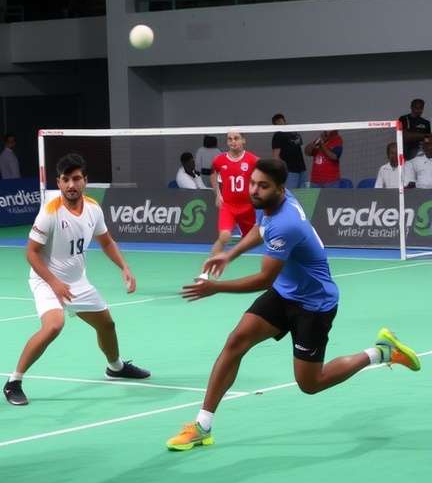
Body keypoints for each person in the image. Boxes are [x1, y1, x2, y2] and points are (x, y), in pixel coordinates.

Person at [168, 158, 420, 451]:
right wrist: (230, 255)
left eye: (262, 186)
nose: (254, 190)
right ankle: (202, 426)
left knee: (310, 383)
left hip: (314, 304)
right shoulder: (274, 205)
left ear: (280, 188)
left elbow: (263, 279)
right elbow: (260, 230)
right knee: (236, 341)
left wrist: (216, 288)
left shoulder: (287, 223)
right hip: (285, 292)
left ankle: (380, 352)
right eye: (253, 183)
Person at [3, 153, 149, 406]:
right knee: (54, 326)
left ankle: (115, 367)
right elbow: (31, 253)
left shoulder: (93, 208)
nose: (71, 184)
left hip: (77, 282)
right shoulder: (49, 213)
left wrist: (124, 267)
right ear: (58, 183)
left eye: (76, 178)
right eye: (66, 179)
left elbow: (106, 241)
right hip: (46, 280)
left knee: (107, 325)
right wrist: (54, 283)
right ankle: (13, 382)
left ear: (85, 181)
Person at [209, 130, 259, 257]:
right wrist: (217, 194)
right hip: (228, 206)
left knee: (256, 239)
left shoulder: (253, 160)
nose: (233, 141)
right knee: (224, 236)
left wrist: (256, 191)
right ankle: (205, 271)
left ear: (243, 140)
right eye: (229, 139)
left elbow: (264, 176)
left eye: (236, 138)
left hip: (248, 207)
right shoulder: (219, 160)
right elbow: (213, 173)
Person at [271, 113, 306, 188]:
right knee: (290, 195)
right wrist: (283, 169)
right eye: (277, 123)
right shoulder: (278, 135)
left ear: (284, 121)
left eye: (280, 121)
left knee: (303, 195)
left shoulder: (294, 132)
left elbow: (302, 149)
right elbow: (275, 156)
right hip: (290, 171)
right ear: (274, 125)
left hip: (302, 169)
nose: (280, 123)